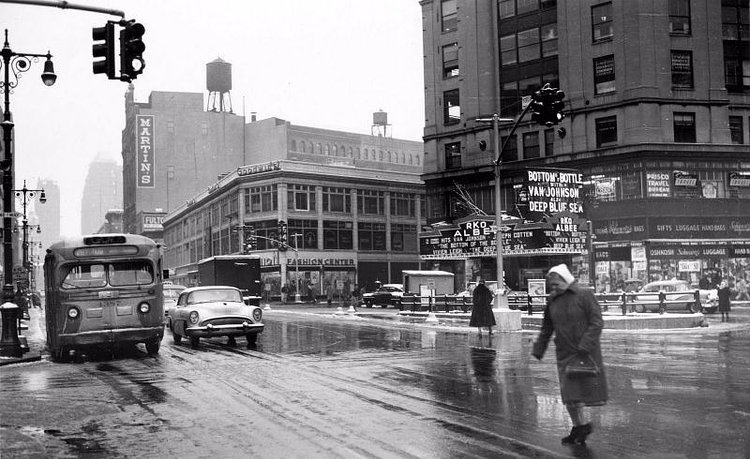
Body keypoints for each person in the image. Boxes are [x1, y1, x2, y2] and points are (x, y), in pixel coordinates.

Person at [532, 264, 607, 446]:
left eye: (557, 284)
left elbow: (597, 322)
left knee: (579, 393)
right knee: (569, 395)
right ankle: (579, 427)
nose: (554, 289)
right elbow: (547, 328)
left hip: (584, 352)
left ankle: (580, 427)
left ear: (566, 280)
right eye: (552, 286)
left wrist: (585, 345)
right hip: (564, 353)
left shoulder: (585, 295)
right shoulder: (553, 300)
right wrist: (539, 349)